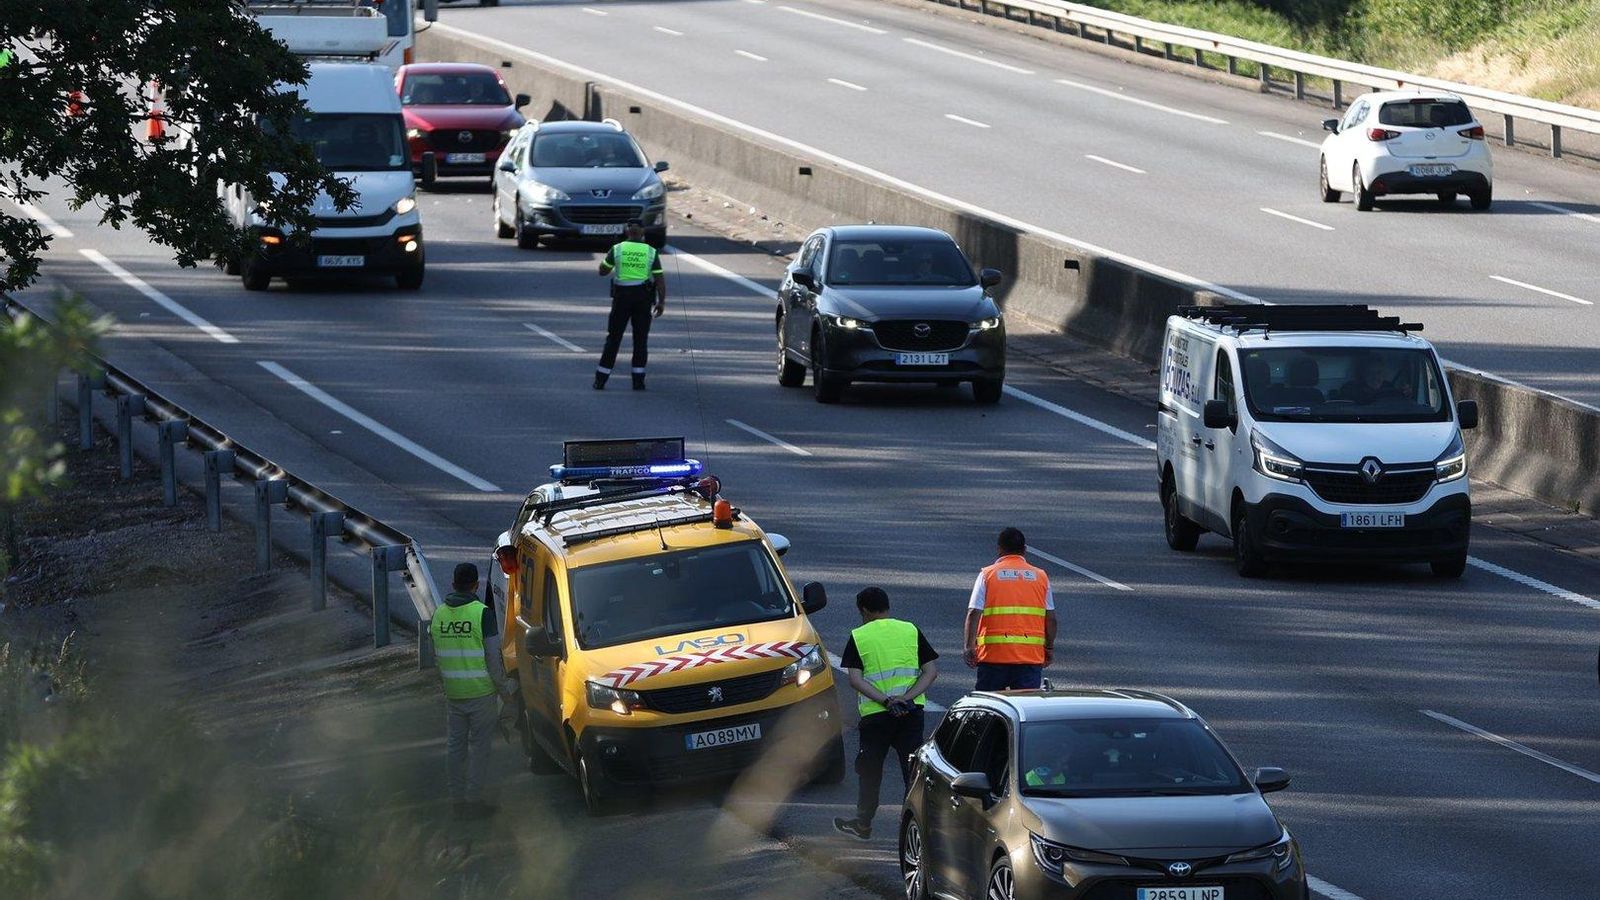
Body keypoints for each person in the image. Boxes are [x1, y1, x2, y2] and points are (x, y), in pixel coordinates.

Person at [833, 587, 939, 841]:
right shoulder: (910, 630)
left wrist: (886, 700)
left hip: (876, 717)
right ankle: (914, 829)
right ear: (887, 606)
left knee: (870, 772)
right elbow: (931, 672)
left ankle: (863, 824)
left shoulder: (859, 636)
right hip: (911, 714)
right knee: (912, 772)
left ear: (864, 610)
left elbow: (855, 680)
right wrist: (907, 698)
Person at [431, 562, 515, 820]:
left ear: (454, 584)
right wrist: (505, 692)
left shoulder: (439, 615)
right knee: (479, 749)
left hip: (454, 694)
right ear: (475, 585)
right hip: (481, 693)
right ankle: (473, 800)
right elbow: (493, 658)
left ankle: (457, 802)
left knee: (455, 749)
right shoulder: (482, 613)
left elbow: (438, 657)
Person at [963, 527, 1056, 691]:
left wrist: (969, 646)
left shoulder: (988, 574)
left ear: (999, 549)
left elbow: (974, 612)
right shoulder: (1041, 576)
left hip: (994, 657)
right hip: (1029, 658)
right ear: (1025, 549)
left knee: (989, 710)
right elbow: (1051, 618)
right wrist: (1048, 647)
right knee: (1026, 710)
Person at [594, 220, 665, 390]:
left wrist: (608, 263)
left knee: (613, 339)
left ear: (627, 232)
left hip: (621, 299)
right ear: (642, 233)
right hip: (643, 298)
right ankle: (638, 380)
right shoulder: (651, 252)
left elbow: (602, 271)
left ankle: (601, 380)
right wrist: (661, 302)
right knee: (640, 340)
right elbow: (659, 280)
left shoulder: (617, 249)